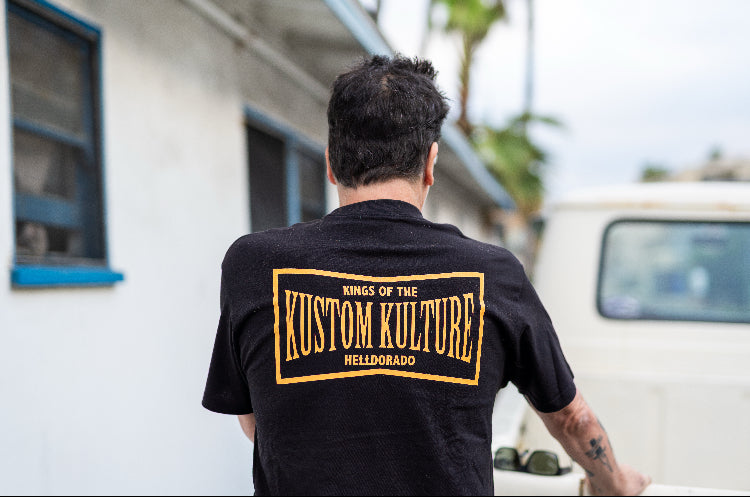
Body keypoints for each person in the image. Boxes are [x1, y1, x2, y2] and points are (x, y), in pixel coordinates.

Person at [202, 55, 650, 496]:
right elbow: (572, 419)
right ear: (431, 163)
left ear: (331, 164)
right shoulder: (494, 275)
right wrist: (614, 483)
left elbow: (258, 422)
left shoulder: (252, 265)